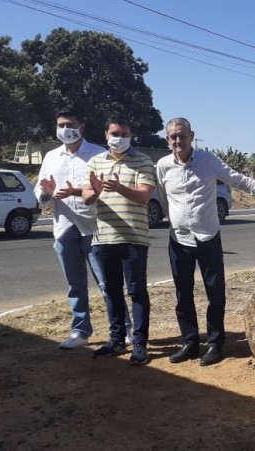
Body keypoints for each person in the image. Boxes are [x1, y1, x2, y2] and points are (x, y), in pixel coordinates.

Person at [156, 117, 255, 366]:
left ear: (191, 136)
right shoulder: (163, 166)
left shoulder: (208, 161)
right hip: (178, 239)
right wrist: (173, 220)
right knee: (182, 294)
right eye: (173, 136)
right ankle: (189, 342)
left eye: (182, 135)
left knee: (215, 293)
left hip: (207, 236)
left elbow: (238, 179)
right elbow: (163, 199)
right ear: (167, 139)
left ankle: (215, 344)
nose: (178, 140)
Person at [34, 108, 132, 350]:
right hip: (64, 229)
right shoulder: (51, 157)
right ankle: (80, 331)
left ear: (82, 127)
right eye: (60, 125)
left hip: (95, 229)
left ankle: (124, 328)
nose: (65, 129)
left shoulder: (99, 155)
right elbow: (40, 195)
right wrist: (46, 192)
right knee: (75, 285)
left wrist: (83, 191)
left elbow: (110, 191)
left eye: (69, 124)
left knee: (107, 283)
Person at [82, 115, 156, 366]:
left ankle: (139, 343)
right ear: (105, 135)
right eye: (115, 133)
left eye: (125, 134)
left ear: (131, 135)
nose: (120, 138)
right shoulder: (94, 161)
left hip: (134, 237)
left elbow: (145, 197)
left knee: (136, 291)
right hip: (103, 238)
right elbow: (87, 198)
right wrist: (96, 191)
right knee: (111, 292)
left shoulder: (143, 161)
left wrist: (119, 187)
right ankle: (116, 340)